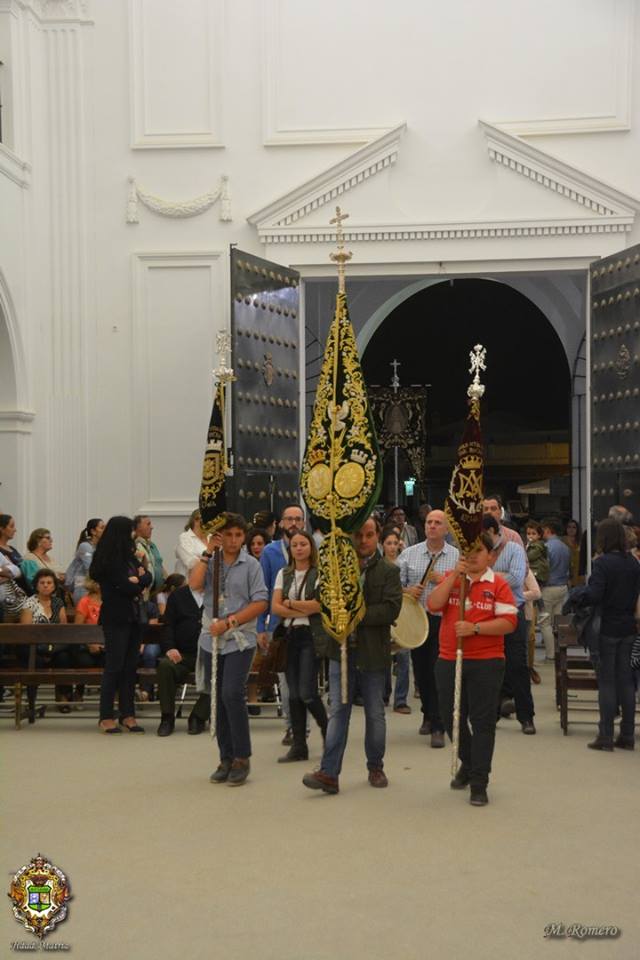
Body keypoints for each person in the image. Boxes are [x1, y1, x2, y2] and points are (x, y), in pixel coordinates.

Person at [302, 516, 402, 794]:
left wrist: (355, 613)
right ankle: (329, 773)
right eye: (358, 535)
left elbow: (390, 610)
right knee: (338, 711)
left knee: (375, 713)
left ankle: (376, 766)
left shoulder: (388, 571)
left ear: (378, 536)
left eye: (369, 535)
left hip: (373, 653)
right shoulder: (337, 567)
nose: (364, 540)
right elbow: (322, 598)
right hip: (341, 651)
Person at [428, 533, 518, 806]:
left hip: (486, 661)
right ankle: (468, 762)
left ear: (490, 556)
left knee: (482, 722)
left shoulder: (498, 584)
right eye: (466, 550)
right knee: (451, 718)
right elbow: (433, 604)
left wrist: (476, 628)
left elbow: (509, 623)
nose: (471, 555)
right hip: (449, 659)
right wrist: (454, 577)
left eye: (478, 550)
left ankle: (479, 782)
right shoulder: (453, 579)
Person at [189, 513, 268, 786]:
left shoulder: (251, 565)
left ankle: (242, 757)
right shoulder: (212, 561)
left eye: (238, 535)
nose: (234, 540)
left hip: (239, 637)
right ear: (219, 536)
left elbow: (260, 602)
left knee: (231, 692)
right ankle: (226, 757)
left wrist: (230, 622)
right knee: (217, 697)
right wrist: (207, 553)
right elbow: (194, 584)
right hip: (212, 637)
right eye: (229, 535)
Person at [397, 509, 459, 746]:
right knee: (421, 671)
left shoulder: (456, 556)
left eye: (437, 523)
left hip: (443, 620)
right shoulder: (409, 554)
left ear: (446, 528)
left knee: (438, 671)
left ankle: (439, 725)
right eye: (429, 522)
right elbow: (394, 585)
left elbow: (464, 587)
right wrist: (407, 590)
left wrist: (443, 580)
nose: (432, 526)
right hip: (416, 620)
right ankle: (427, 714)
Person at [581, 519, 640, 751]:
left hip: (606, 626)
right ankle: (627, 734)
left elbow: (595, 595)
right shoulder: (633, 563)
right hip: (628, 626)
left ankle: (605, 735)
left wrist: (580, 595)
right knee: (626, 680)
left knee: (606, 681)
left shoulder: (602, 563)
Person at [90, 515, 152, 734]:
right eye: (129, 531)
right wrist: (137, 581)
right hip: (116, 617)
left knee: (129, 667)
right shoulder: (107, 559)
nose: (132, 535)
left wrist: (139, 579)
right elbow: (125, 587)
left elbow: (149, 577)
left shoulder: (129, 557)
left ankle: (128, 714)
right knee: (114, 666)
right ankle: (106, 716)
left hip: (134, 617)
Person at [270, 530, 328, 761]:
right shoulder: (283, 574)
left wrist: (291, 603)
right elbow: (276, 607)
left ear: (311, 547)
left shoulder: (319, 573)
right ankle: (299, 745)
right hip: (289, 636)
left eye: (303, 544)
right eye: (294, 545)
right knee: (293, 695)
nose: (299, 548)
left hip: (310, 636)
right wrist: (300, 608)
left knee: (307, 692)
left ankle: (328, 730)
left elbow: (319, 606)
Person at [257, 503, 306, 744]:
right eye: (289, 519)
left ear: (303, 523)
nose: (293, 523)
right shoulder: (270, 552)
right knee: (286, 682)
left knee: (305, 682)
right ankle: (291, 727)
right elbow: (262, 592)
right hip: (279, 627)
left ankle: (303, 726)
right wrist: (261, 628)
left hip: (306, 625)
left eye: (298, 519)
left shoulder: (312, 549)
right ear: (281, 524)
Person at [483, 515, 536, 734]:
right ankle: (490, 715)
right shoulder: (480, 550)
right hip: (487, 613)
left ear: (492, 531)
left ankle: (526, 717)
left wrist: (487, 577)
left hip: (513, 610)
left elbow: (516, 577)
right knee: (490, 666)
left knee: (517, 665)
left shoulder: (514, 548)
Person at [156, 583, 211, 737]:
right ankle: (167, 718)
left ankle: (198, 717)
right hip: (183, 654)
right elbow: (168, 625)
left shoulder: (217, 594)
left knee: (224, 671)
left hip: (208, 654)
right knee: (165, 666)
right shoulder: (177, 595)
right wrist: (170, 648)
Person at [19, 567, 71, 710]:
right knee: (35, 660)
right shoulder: (29, 603)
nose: (46, 586)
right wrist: (44, 649)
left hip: (56, 646)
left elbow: (64, 630)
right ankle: (31, 699)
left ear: (54, 586)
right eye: (42, 583)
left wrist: (52, 649)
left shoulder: (58, 603)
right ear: (36, 585)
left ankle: (63, 697)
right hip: (33, 647)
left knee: (64, 658)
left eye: (49, 583)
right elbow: (25, 633)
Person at [381, 525, 410, 713]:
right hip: (384, 615)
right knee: (384, 657)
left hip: (403, 614)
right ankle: (384, 695)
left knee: (404, 657)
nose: (392, 547)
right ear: (382, 545)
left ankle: (400, 700)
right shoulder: (377, 566)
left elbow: (408, 587)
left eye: (395, 543)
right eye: (388, 543)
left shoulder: (404, 564)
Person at [539, 517, 571, 662]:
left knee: (545, 622)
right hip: (562, 587)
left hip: (549, 587)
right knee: (558, 623)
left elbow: (544, 569)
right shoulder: (565, 547)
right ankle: (560, 653)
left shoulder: (546, 547)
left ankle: (550, 654)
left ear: (547, 530)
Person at [65, 519, 105, 604]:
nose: (105, 530)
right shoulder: (85, 546)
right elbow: (90, 567)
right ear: (93, 531)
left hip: (94, 586)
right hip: (83, 587)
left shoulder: (100, 547)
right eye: (102, 528)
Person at [0, 514, 30, 621]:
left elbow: (17, 571)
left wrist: (5, 572)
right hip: (8, 596)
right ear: (2, 529)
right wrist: (6, 571)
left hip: (21, 592)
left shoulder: (12, 549)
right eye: (12, 526)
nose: (15, 530)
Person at [134, 515, 165, 590]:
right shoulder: (135, 546)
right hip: (145, 590)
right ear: (138, 527)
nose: (152, 527)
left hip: (158, 590)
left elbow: (159, 565)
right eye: (148, 524)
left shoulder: (152, 545)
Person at [174, 510, 210, 577]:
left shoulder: (210, 537)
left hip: (208, 579)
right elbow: (190, 562)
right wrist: (211, 564)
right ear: (195, 521)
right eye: (200, 519)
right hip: (187, 580)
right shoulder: (185, 537)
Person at [563, 519, 583, 588]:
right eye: (569, 527)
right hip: (566, 576)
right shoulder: (562, 541)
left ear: (577, 529)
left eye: (574, 527)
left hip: (579, 575)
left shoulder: (581, 542)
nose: (571, 529)